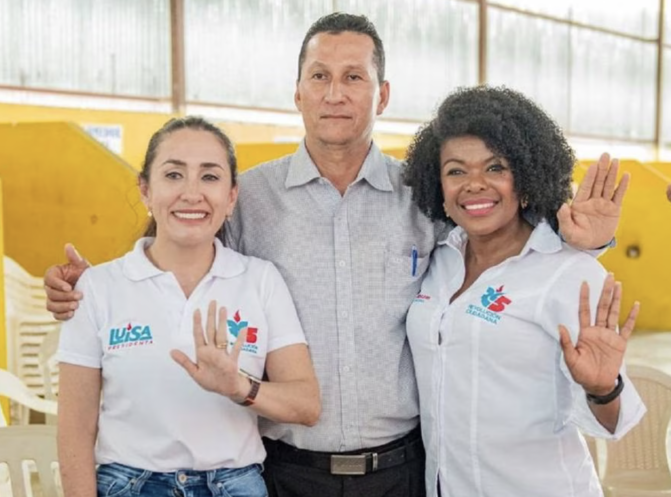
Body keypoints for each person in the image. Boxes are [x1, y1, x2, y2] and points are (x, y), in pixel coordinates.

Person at [46, 13, 629, 497]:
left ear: (383, 94)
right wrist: (90, 288)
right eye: (319, 76)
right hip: (283, 470)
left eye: (354, 77)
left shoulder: (425, 195)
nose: (335, 93)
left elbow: (500, 232)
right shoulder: (251, 197)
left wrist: (585, 241)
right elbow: (181, 246)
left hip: (404, 470)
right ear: (297, 91)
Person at [56, 116, 320, 497]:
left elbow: (306, 405)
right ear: (145, 190)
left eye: (209, 177)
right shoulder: (97, 288)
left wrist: (240, 387)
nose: (192, 193)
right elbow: (75, 430)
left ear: (231, 197)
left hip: (235, 486)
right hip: (129, 486)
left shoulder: (261, 280)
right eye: (173, 175)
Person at [403, 86, 646, 497]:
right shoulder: (438, 259)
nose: (474, 184)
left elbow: (615, 423)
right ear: (437, 185)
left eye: (495, 167)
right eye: (456, 171)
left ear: (527, 178)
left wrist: (602, 389)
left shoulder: (568, 272)